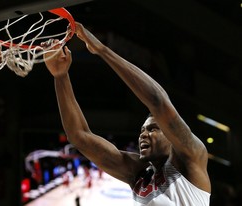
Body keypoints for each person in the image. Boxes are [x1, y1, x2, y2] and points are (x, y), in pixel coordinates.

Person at [43, 22, 211, 205]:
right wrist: (60, 77)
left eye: (153, 129)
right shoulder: (138, 174)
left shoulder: (192, 157)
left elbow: (158, 101)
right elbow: (79, 137)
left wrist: (102, 50)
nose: (143, 134)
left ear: (172, 137)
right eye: (142, 130)